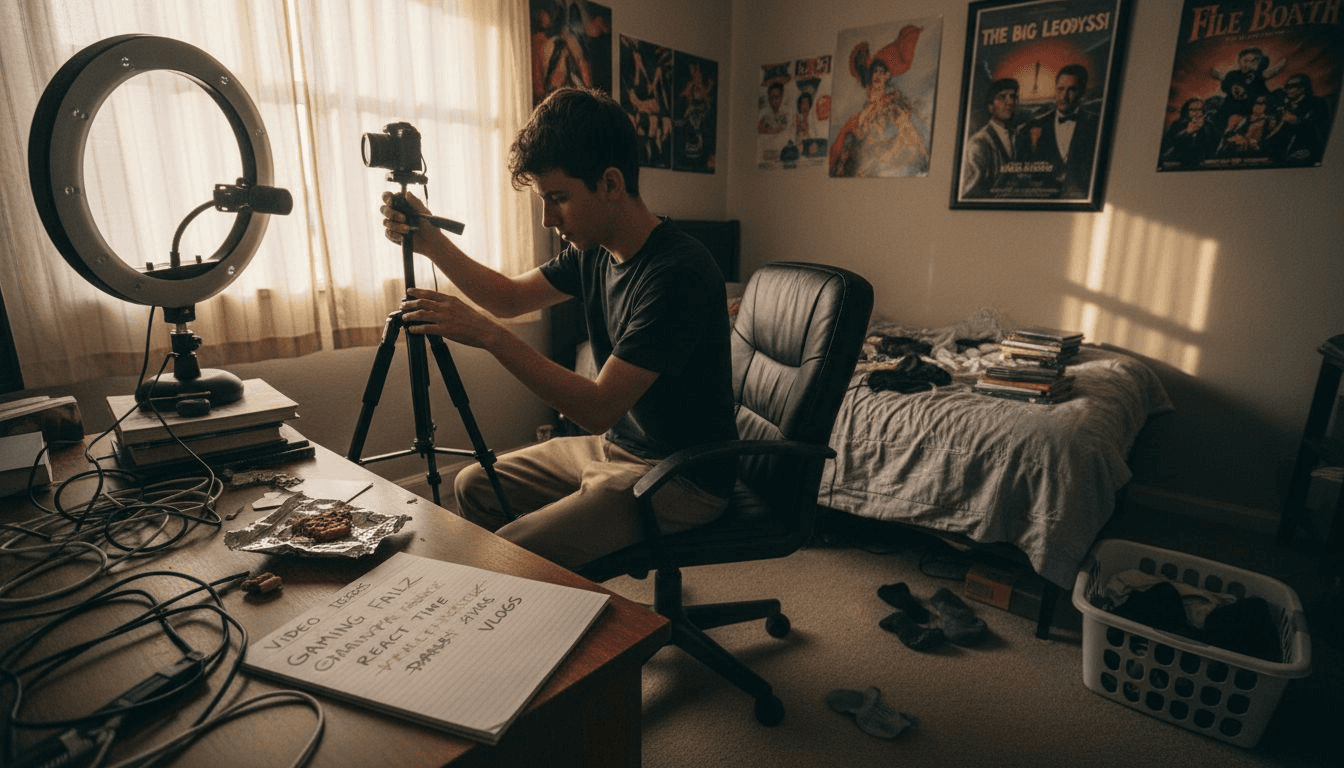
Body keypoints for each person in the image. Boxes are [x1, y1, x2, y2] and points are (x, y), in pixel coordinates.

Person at [378, 87, 737, 570]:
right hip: (617, 448)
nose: (549, 219)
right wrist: (431, 241)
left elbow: (598, 407)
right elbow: (508, 298)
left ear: (610, 183)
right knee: (473, 484)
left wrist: (488, 336)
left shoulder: (678, 271)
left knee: (509, 554)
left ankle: (551, 602)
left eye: (559, 198)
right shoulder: (593, 252)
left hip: (684, 476)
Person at [828, 27, 930, 178]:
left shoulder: (894, 106)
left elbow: (905, 132)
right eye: (875, 71)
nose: (878, 75)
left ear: (887, 75)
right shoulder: (866, 111)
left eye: (882, 71)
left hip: (891, 160)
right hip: (869, 156)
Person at [1015, 63, 1098, 197]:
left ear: (1082, 92)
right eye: (1060, 89)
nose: (1064, 96)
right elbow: (1021, 171)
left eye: (1071, 90)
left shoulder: (1095, 124)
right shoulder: (1032, 127)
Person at [959, 78, 1019, 197]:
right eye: (1002, 97)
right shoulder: (979, 142)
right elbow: (971, 192)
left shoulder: (1018, 135)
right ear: (990, 107)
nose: (1010, 102)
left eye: (1012, 97)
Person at [1266, 73, 1330, 165]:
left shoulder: (1317, 103)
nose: (1287, 90)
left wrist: (1297, 121)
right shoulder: (1283, 105)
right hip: (1280, 156)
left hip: (1307, 152)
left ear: (1302, 87)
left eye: (1291, 87)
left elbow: (1322, 127)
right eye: (1286, 87)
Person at [1159, 97, 1218, 169]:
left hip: (1204, 164)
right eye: (1193, 110)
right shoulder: (1177, 125)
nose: (1197, 113)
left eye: (1200, 109)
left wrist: (1202, 129)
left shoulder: (1209, 126)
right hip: (1178, 163)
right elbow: (1170, 144)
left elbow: (1213, 146)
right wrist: (1187, 132)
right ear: (1186, 111)